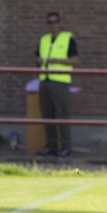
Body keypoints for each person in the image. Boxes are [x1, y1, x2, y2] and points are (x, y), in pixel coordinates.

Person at [35, 11, 78, 158]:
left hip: (60, 82)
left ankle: (65, 148)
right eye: (49, 22)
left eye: (54, 22)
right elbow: (36, 57)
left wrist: (57, 61)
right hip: (44, 80)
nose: (52, 25)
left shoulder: (67, 38)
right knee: (47, 116)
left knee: (62, 116)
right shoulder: (44, 39)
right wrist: (39, 61)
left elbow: (75, 60)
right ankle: (51, 147)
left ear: (59, 23)